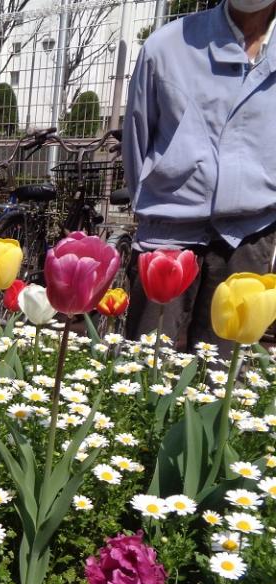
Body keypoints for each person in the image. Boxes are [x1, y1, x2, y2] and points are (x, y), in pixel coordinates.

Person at [123, 0, 276, 355]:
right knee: (146, 362)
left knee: (221, 378)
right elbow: (136, 140)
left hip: (250, 235)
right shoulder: (166, 47)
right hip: (167, 230)